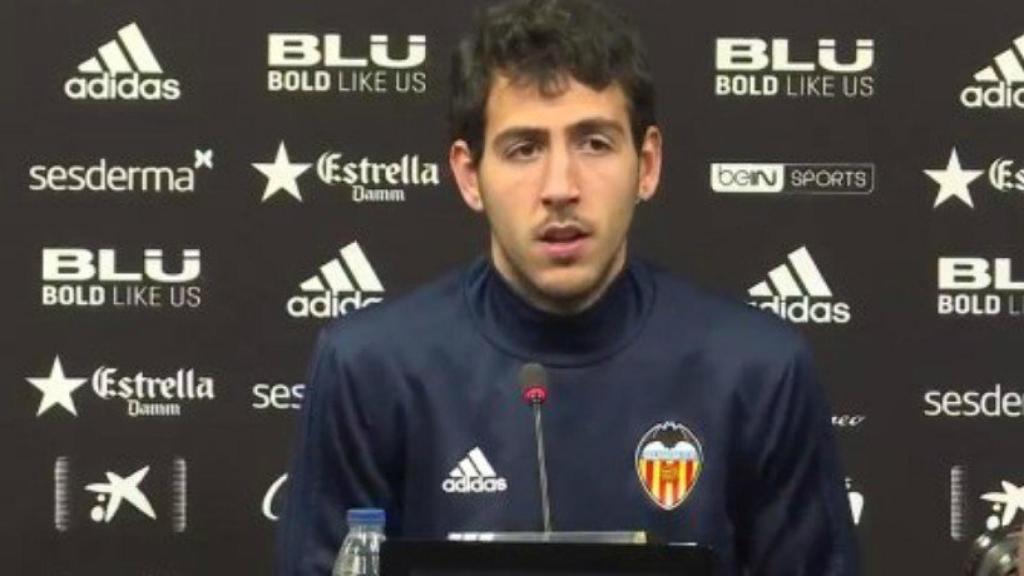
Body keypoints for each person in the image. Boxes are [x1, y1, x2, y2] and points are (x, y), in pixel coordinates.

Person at [276, 1, 860, 574]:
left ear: (648, 164)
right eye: (524, 149)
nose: (560, 186)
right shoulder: (367, 369)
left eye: (594, 142)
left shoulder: (759, 370)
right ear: (468, 175)